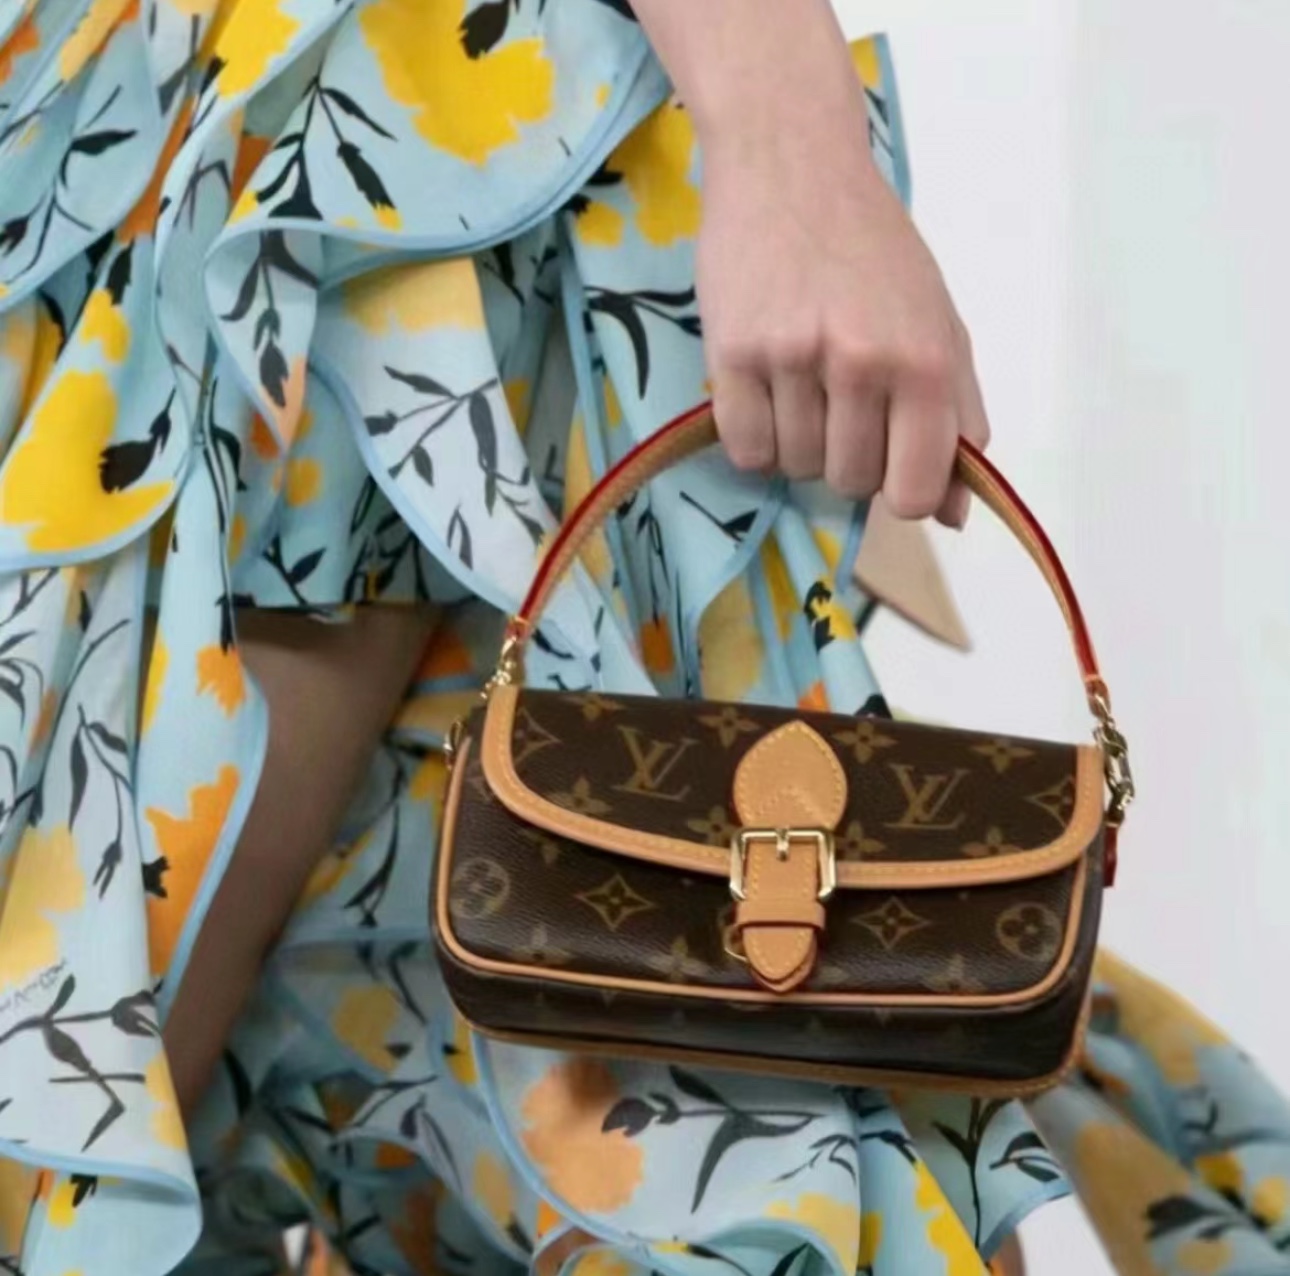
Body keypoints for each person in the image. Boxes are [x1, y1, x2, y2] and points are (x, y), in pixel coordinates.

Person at [0, 1, 1286, 1273]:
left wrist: (791, 138)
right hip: (245, 183)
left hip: (347, 188)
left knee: (87, 1118)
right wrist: (791, 142)